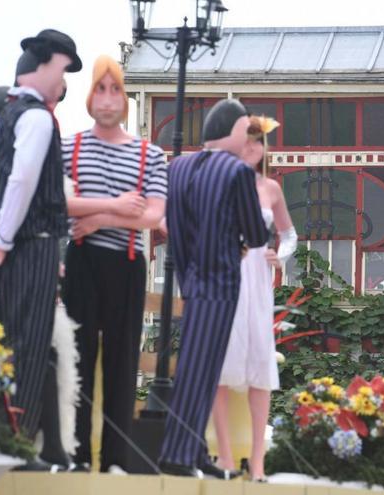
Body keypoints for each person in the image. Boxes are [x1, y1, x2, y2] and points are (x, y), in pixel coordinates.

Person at [0, 29, 81, 470]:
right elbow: (19, 181)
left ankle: (15, 442)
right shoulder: (36, 117)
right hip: (33, 244)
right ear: (43, 63)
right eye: (61, 69)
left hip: (13, 243)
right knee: (31, 346)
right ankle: (19, 448)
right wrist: (0, 237)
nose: (63, 82)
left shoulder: (11, 112)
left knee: (12, 341)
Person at [60, 55, 167, 474]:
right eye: (100, 88)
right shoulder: (69, 146)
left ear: (125, 98)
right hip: (82, 261)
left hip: (126, 262)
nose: (107, 99)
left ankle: (116, 459)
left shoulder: (150, 153)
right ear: (89, 94)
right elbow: (61, 201)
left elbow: (154, 215)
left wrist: (101, 216)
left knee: (123, 361)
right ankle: (78, 454)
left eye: (116, 89)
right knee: (79, 356)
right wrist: (119, 205)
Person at [158, 99, 268, 479]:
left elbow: (172, 225)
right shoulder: (236, 171)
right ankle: (179, 454)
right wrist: (238, 243)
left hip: (191, 280)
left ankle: (195, 450)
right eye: (245, 129)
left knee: (197, 365)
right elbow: (256, 234)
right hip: (220, 281)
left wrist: (189, 275)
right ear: (234, 129)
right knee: (200, 370)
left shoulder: (178, 166)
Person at [211, 116, 296, 480]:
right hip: (226, 274)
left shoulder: (271, 189)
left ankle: (257, 461)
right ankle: (225, 456)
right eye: (246, 141)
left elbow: (289, 234)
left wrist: (281, 255)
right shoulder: (221, 185)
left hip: (258, 277)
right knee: (220, 363)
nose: (252, 148)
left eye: (258, 142)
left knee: (261, 364)